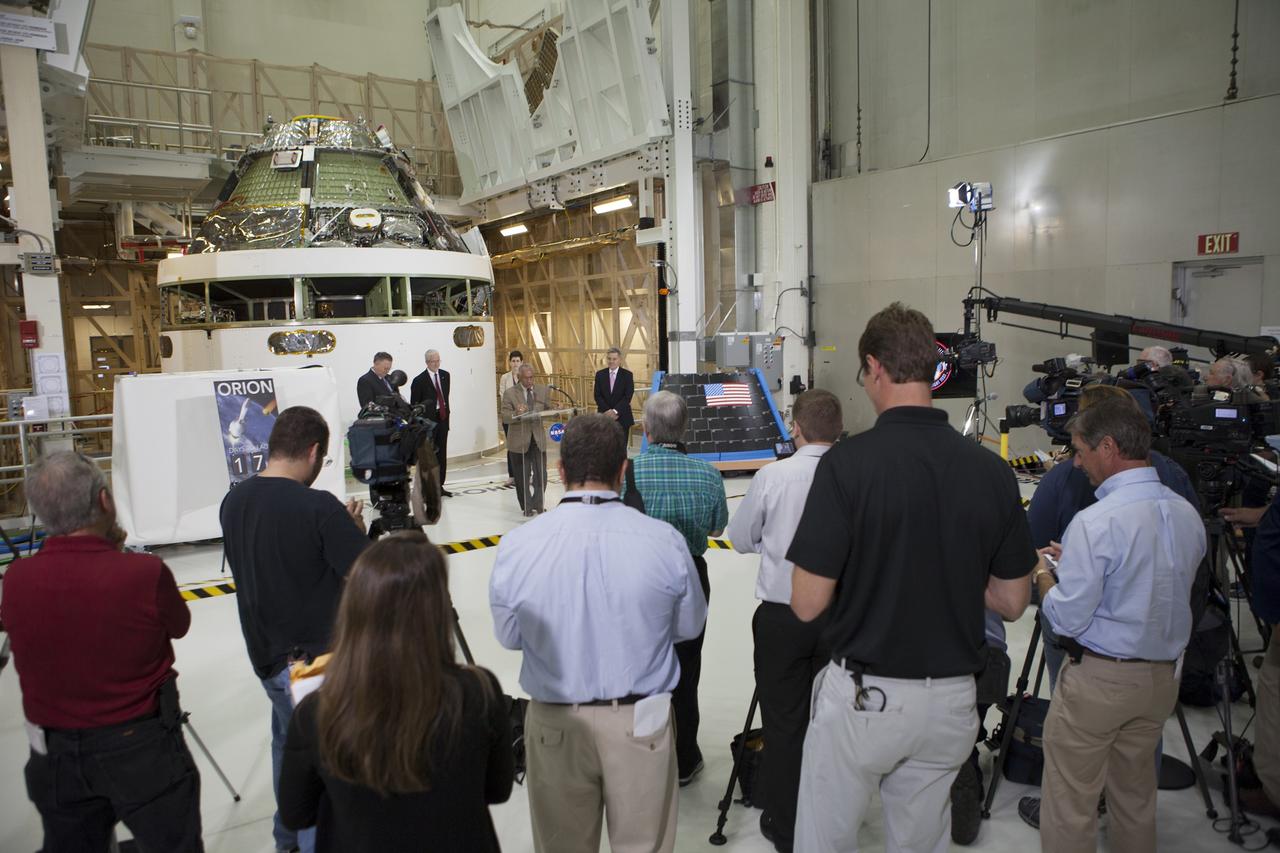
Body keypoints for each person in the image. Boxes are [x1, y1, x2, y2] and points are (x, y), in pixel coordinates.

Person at [786, 302, 1035, 853]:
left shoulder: (847, 465)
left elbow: (806, 603)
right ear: (932, 370)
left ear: (874, 367)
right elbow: (1014, 601)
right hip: (951, 703)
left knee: (825, 838)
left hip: (865, 699)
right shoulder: (992, 472)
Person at [489, 414, 707, 853]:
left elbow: (510, 636)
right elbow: (689, 626)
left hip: (554, 722)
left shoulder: (519, 545)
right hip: (640, 721)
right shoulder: (664, 541)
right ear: (623, 472)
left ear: (560, 470)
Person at [1014, 384, 1201, 829]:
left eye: (1079, 451)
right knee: (1136, 806)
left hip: (1101, 679)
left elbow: (1066, 617)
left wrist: (1045, 572)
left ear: (1109, 447)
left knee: (1069, 808)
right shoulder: (1184, 512)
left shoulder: (1096, 521)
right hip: (1160, 680)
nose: (1075, 462)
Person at [0, 452, 203, 852]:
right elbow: (179, 625)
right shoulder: (143, 573)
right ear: (105, 501)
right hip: (140, 747)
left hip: (55, 752)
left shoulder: (18, 579)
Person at [279, 532, 514, 852]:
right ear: (436, 611)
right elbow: (497, 790)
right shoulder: (479, 692)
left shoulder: (319, 710)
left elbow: (296, 813)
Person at [221, 406, 370, 853]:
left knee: (289, 746)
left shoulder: (235, 501)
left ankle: (286, 838)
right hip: (313, 665)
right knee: (324, 771)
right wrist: (354, 529)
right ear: (311, 451)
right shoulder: (318, 507)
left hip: (267, 658)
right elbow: (367, 577)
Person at [726, 389, 842, 852]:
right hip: (841, 617)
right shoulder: (856, 475)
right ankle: (830, 814)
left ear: (796, 427)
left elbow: (739, 537)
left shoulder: (774, 477)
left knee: (783, 719)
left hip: (782, 616)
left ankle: (787, 825)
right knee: (834, 720)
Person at [629, 390, 729, 785]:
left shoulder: (629, 474)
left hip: (638, 580)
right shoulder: (707, 475)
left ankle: (642, 754)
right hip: (691, 577)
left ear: (647, 429)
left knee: (641, 666)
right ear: (684, 428)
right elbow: (717, 528)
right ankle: (685, 757)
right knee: (687, 669)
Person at [501, 363, 552, 516]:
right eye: (527, 378)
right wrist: (516, 412)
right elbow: (505, 416)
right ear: (519, 378)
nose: (530, 381)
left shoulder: (542, 391)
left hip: (537, 439)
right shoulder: (510, 393)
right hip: (519, 441)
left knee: (541, 475)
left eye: (532, 377)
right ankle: (527, 507)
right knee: (522, 478)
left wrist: (557, 408)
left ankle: (538, 504)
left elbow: (548, 409)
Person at [410, 349, 452, 496]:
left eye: (438, 360)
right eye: (433, 361)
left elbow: (445, 398)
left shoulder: (445, 375)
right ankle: (429, 488)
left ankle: (440, 485)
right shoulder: (419, 381)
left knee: (442, 454)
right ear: (427, 362)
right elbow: (414, 405)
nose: (436, 364)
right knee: (428, 456)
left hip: (442, 419)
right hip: (428, 423)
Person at [593, 346, 635, 436]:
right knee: (605, 446)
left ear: (620, 360)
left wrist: (615, 411)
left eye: (614, 359)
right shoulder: (600, 375)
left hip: (622, 416)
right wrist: (608, 411)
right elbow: (597, 395)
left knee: (621, 447)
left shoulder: (627, 375)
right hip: (604, 416)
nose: (611, 361)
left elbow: (627, 396)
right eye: (609, 358)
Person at [499, 350, 524, 484]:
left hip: (524, 417)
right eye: (513, 361)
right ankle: (512, 475)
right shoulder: (505, 378)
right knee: (511, 447)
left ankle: (526, 474)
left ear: (522, 362)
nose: (515, 364)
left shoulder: (526, 376)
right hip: (509, 417)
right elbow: (503, 395)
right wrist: (515, 408)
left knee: (525, 445)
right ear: (509, 363)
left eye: (517, 361)